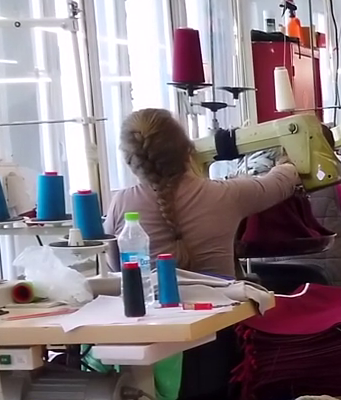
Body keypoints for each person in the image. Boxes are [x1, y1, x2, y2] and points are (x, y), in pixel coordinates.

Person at [107, 108, 301, 279]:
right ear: (188, 149)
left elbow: (116, 268)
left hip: (153, 309)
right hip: (223, 309)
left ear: (129, 161)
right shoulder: (227, 194)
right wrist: (285, 164)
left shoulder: (121, 204)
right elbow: (282, 181)